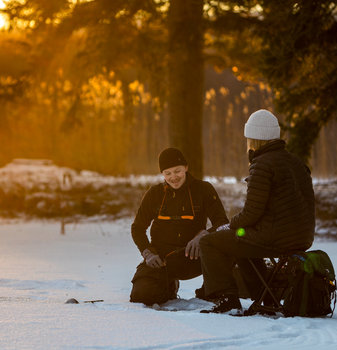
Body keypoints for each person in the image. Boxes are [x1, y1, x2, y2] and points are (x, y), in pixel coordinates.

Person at [199, 109, 315, 313]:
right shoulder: (296, 162)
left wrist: (230, 225)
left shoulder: (262, 164)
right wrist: (237, 228)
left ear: (254, 139)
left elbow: (252, 212)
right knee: (240, 241)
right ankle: (265, 294)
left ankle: (227, 298)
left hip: (274, 238)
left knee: (209, 242)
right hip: (301, 238)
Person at [129, 147, 229, 306]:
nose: (173, 177)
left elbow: (223, 223)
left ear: (186, 168)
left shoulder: (203, 189)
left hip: (194, 257)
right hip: (163, 260)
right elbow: (137, 228)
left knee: (226, 249)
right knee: (141, 295)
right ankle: (168, 286)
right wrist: (148, 253)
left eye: (177, 171)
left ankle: (208, 292)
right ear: (162, 174)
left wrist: (204, 235)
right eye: (167, 173)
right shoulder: (154, 194)